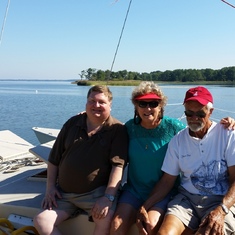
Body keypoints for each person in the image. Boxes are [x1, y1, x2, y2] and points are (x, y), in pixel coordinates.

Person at [136, 86, 235, 235]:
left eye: (200, 113)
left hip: (221, 201)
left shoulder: (227, 134)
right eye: (189, 113)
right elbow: (167, 181)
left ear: (210, 112)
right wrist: (145, 205)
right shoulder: (177, 141)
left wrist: (222, 210)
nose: (194, 118)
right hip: (187, 200)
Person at [33, 85, 129, 235]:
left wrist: (108, 197)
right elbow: (54, 159)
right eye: (92, 101)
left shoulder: (117, 129)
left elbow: (118, 166)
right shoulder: (72, 123)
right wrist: (50, 188)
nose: (96, 105)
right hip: (63, 193)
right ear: (86, 103)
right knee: (41, 221)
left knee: (105, 218)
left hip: (96, 193)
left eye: (101, 102)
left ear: (110, 104)